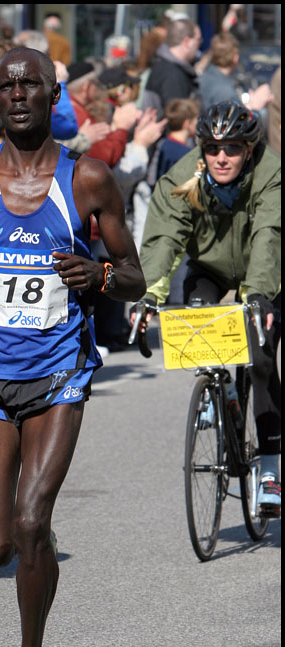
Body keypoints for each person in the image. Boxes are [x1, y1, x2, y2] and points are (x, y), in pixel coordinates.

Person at [0, 46, 146, 647]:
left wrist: (101, 278)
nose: (19, 93)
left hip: (59, 374)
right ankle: (34, 553)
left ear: (55, 95)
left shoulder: (88, 178)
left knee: (31, 519)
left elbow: (134, 274)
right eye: (7, 85)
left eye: (32, 84)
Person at [134, 101, 281, 518]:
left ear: (248, 150)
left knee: (262, 355)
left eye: (232, 149)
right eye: (213, 148)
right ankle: (220, 393)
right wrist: (148, 298)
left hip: (267, 272)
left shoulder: (272, 174)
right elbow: (164, 240)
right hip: (210, 268)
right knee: (200, 324)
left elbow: (270, 237)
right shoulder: (184, 177)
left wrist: (258, 295)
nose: (221, 157)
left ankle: (270, 471)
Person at [142, 18, 203, 120]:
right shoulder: (172, 75)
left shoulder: (164, 64)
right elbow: (177, 121)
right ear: (187, 41)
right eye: (198, 40)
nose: (199, 44)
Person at [198, 33, 273, 113]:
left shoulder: (202, 79)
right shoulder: (227, 93)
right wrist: (254, 107)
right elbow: (234, 123)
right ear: (235, 58)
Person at [154, 98, 199, 181]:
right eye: (196, 119)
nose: (197, 123)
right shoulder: (184, 153)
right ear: (187, 123)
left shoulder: (163, 143)